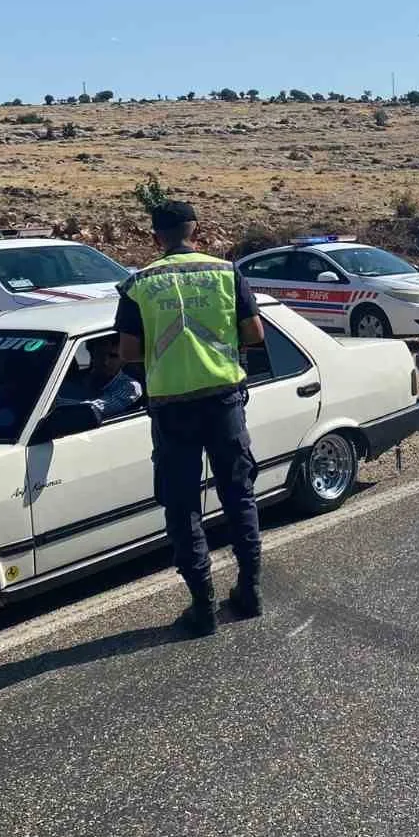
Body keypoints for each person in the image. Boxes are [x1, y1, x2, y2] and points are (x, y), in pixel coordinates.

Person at [116, 200, 265, 635]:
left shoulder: (139, 283)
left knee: (182, 508)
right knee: (239, 496)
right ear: (196, 229)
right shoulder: (225, 272)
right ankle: (250, 592)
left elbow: (127, 352)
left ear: (154, 236)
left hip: (171, 408)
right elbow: (254, 334)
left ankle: (202, 609)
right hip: (223, 402)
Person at [84, 340, 144, 423]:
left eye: (113, 356)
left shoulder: (130, 387)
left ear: (123, 360)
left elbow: (95, 408)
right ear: (92, 355)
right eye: (100, 354)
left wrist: (63, 406)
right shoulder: (75, 379)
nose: (106, 362)